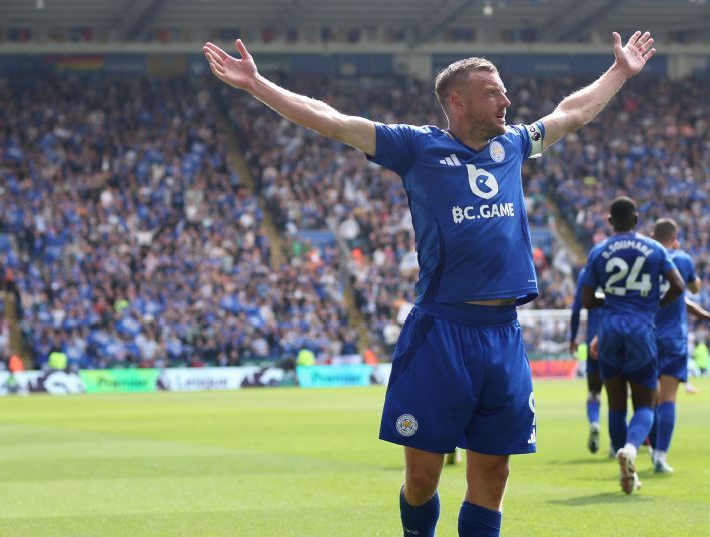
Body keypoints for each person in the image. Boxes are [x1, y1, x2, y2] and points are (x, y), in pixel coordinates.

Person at [204, 30, 658, 536]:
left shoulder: (511, 145)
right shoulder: (416, 147)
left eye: (504, 92)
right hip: (441, 330)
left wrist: (619, 72)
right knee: (422, 478)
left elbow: (571, 112)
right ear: (458, 101)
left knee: (495, 471)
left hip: (503, 334)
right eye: (493, 93)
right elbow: (332, 120)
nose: (507, 101)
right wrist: (258, 84)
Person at [581, 196, 685, 495]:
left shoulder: (599, 250)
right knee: (644, 403)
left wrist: (613, 301)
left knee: (615, 403)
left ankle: (619, 453)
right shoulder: (655, 248)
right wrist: (649, 305)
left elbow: (588, 300)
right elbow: (678, 286)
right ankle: (630, 448)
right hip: (641, 327)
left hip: (610, 328)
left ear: (611, 221)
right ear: (637, 220)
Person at [648, 218, 710, 473]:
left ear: (653, 235)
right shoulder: (681, 258)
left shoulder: (646, 257)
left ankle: (643, 447)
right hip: (672, 337)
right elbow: (692, 288)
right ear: (675, 238)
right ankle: (660, 457)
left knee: (647, 398)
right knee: (668, 398)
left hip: (645, 336)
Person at [569, 263, 604, 454]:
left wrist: (573, 337)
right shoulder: (619, 270)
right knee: (620, 393)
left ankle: (595, 422)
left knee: (594, 391)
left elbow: (576, 309)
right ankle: (618, 445)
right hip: (618, 335)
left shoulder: (586, 272)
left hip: (593, 341)